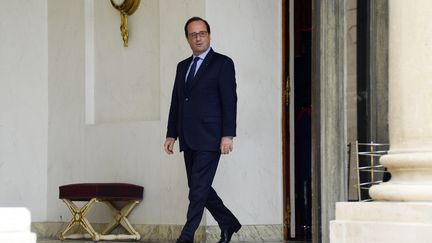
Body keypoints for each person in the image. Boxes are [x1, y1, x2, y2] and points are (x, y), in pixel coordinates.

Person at [164, 16, 241, 243]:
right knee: (199, 187)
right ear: (187, 38)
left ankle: (186, 237)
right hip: (188, 137)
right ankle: (228, 222)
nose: (198, 38)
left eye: (202, 33)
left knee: (197, 191)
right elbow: (176, 102)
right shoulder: (182, 67)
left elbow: (230, 101)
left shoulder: (223, 63)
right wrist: (171, 133)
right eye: (193, 34)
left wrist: (228, 135)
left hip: (211, 138)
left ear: (209, 35)